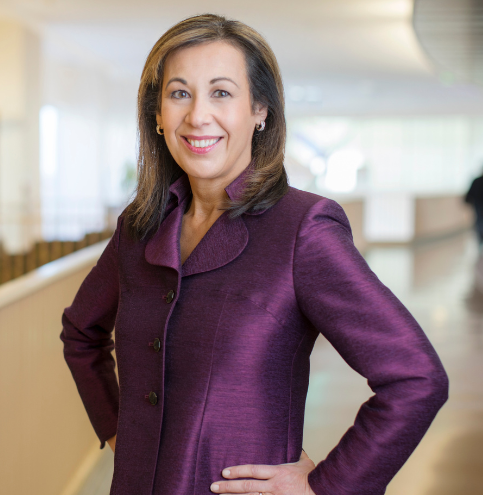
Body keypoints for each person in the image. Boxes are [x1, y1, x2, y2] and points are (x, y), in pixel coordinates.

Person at [61, 14, 448, 495]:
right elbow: (81, 333)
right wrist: (122, 434)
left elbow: (415, 377)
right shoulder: (139, 228)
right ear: (157, 115)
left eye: (221, 92)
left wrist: (325, 486)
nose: (198, 115)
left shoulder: (304, 229)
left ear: (259, 110)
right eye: (179, 93)